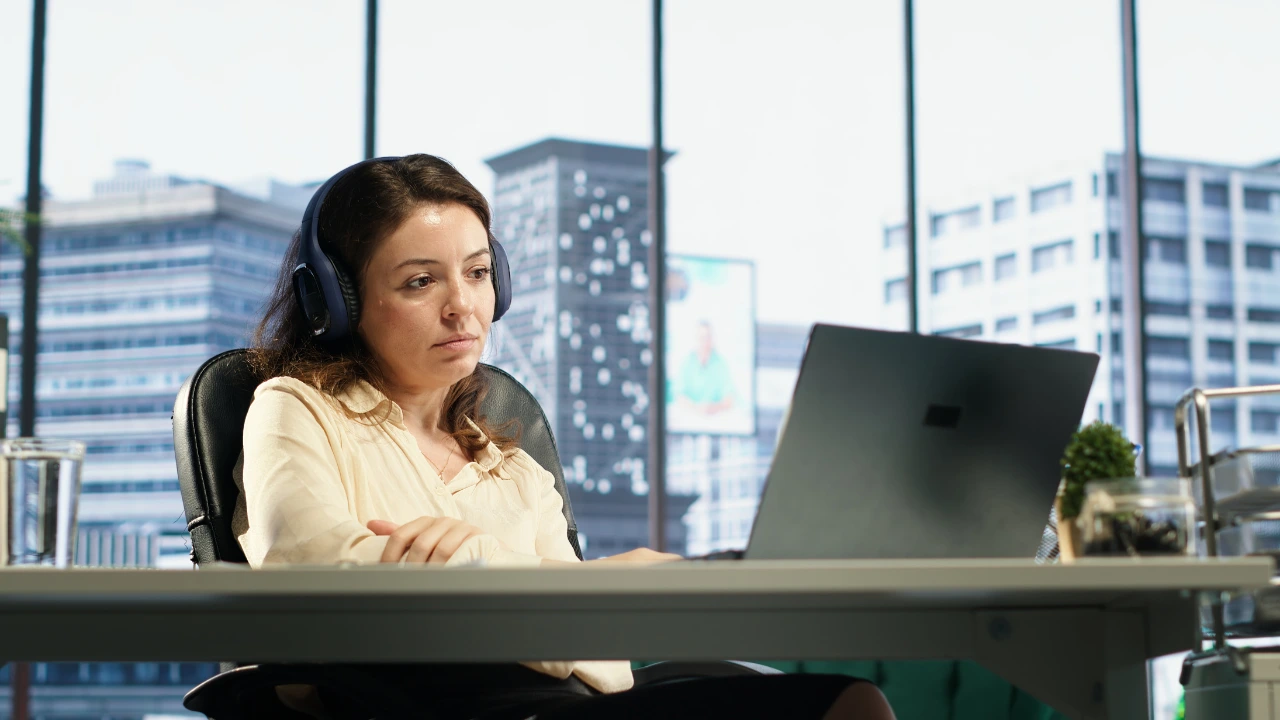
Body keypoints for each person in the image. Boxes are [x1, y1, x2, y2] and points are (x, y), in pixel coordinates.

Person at [233, 154, 896, 720]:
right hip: (434, 710)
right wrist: (516, 576)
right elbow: (312, 575)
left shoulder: (517, 472)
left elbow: (604, 663)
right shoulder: (295, 411)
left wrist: (474, 568)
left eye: (477, 272)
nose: (462, 305)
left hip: (563, 706)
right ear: (336, 301)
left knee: (852, 699)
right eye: (419, 281)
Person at [674, 320, 737, 416]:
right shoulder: (686, 362)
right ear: (696, 339)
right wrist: (696, 408)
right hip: (689, 417)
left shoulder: (721, 364)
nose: (705, 342)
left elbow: (729, 399)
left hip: (716, 419)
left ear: (712, 339)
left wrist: (714, 408)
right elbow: (679, 396)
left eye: (708, 337)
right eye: (701, 338)